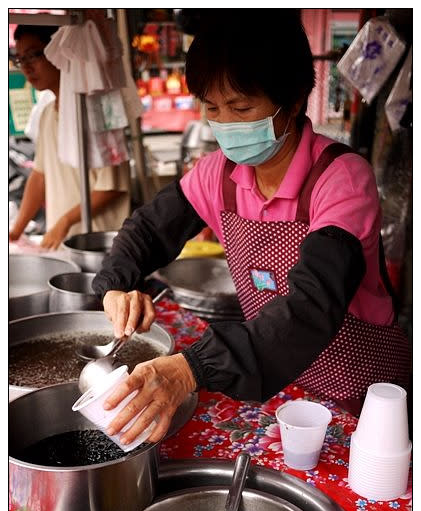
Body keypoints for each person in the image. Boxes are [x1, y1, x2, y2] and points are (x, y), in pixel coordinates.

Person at [92, 11, 410, 446]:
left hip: (361, 399)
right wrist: (115, 284)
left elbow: (311, 306)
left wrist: (192, 368)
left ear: (294, 100)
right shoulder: (217, 174)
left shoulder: (341, 179)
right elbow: (148, 229)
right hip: (280, 388)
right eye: (212, 108)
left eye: (242, 108)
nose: (226, 124)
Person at [9, 25, 131, 250]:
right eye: (20, 59)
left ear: (59, 51)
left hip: (102, 247)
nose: (26, 67)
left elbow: (112, 188)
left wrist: (65, 221)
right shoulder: (47, 114)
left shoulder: (99, 109)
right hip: (64, 247)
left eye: (34, 55)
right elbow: (39, 176)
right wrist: (16, 231)